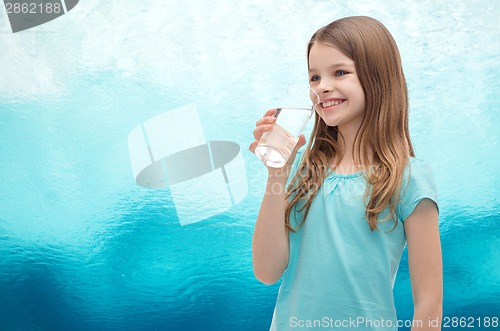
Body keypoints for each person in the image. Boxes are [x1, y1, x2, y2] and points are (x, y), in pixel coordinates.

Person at [249, 16, 442, 330]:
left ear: (377, 77)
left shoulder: (410, 178)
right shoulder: (302, 171)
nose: (322, 87)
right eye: (314, 78)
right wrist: (277, 174)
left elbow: (429, 302)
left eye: (339, 72)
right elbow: (267, 272)